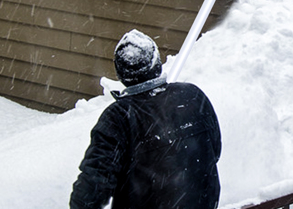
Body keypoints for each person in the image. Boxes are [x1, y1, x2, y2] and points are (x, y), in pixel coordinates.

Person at [70, 29, 221, 209]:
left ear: (121, 73)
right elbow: (214, 150)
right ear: (156, 63)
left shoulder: (119, 117)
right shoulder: (193, 95)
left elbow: (92, 189)